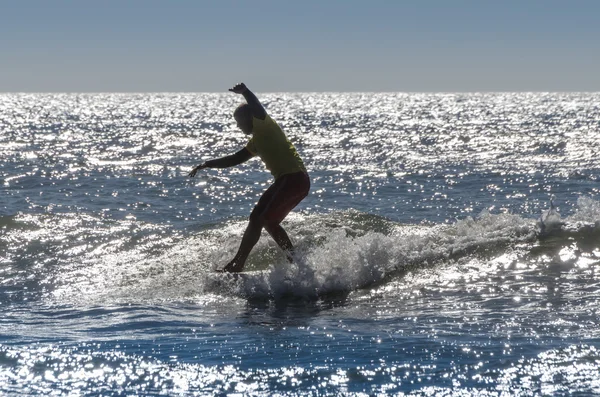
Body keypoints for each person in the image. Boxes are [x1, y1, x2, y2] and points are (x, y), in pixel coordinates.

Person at [189, 83, 310, 273]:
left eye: (239, 122)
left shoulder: (264, 125)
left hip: (293, 179)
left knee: (259, 218)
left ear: (248, 118)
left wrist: (245, 92)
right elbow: (235, 158)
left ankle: (238, 264)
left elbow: (257, 107)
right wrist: (207, 164)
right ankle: (296, 263)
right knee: (265, 221)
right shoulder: (255, 142)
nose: (238, 126)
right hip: (294, 182)